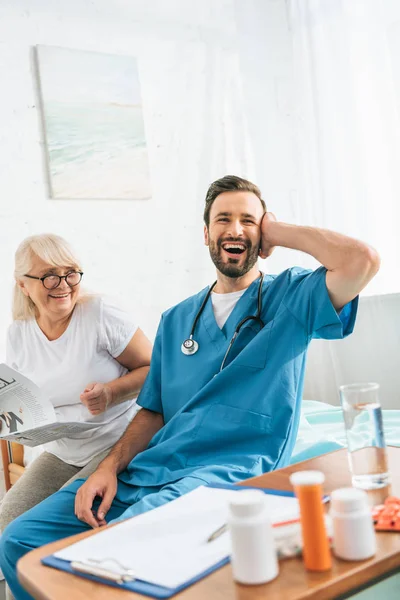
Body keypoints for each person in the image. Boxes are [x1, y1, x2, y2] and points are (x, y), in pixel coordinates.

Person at [0, 177, 379, 600]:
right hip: (150, 468)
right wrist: (108, 468)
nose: (235, 229)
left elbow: (360, 261)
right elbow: (152, 410)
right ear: (205, 234)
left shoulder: (292, 298)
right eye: (224, 219)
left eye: (247, 221)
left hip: (225, 470)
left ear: (263, 233)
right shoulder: (178, 319)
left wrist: (277, 232)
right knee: (19, 540)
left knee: (120, 546)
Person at [0, 233, 152, 536]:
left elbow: (157, 369)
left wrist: (111, 392)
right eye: (49, 277)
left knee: (52, 525)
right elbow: (21, 398)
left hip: (117, 443)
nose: (64, 285)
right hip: (62, 452)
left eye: (70, 273)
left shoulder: (99, 314)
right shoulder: (19, 333)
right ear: (23, 285)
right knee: (6, 527)